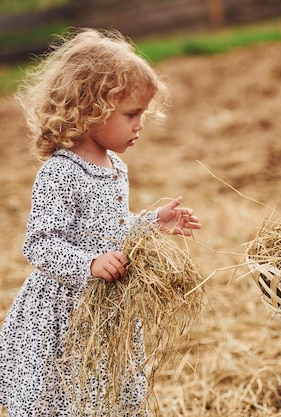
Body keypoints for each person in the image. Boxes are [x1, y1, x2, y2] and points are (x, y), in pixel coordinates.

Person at [0, 28, 202, 416]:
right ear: (90, 108)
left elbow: (110, 228)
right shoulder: (60, 173)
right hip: (67, 313)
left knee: (105, 397)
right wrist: (88, 264)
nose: (139, 125)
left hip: (107, 311)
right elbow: (40, 244)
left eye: (141, 114)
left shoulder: (115, 168)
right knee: (65, 398)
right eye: (132, 114)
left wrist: (152, 222)